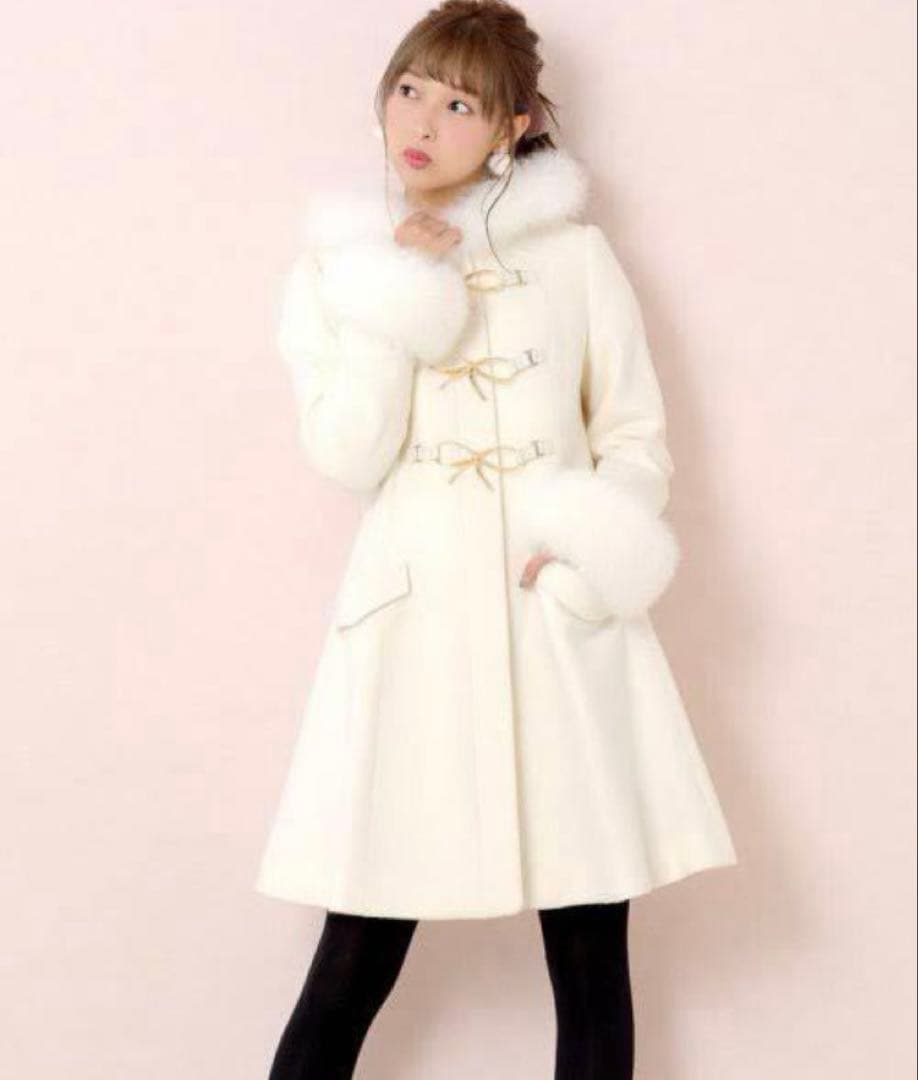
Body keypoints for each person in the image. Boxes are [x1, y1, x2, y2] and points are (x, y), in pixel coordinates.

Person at [257, 1, 739, 1076]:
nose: (421, 121)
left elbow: (634, 436)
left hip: (555, 627)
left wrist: (583, 562)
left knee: (591, 954)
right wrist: (400, 294)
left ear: (513, 126)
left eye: (460, 103)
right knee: (353, 956)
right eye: (409, 89)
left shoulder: (575, 259)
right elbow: (348, 453)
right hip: (414, 627)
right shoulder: (337, 269)